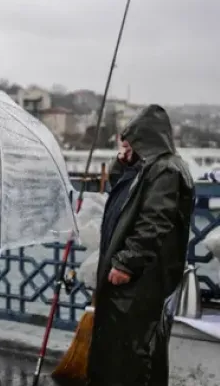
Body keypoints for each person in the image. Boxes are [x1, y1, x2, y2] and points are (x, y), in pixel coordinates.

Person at [88, 104, 195, 386]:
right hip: (132, 278)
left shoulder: (165, 170)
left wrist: (127, 262)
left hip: (140, 279)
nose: (127, 146)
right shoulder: (147, 167)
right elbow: (120, 188)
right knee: (120, 347)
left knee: (134, 350)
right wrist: (122, 161)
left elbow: (154, 221)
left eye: (131, 141)